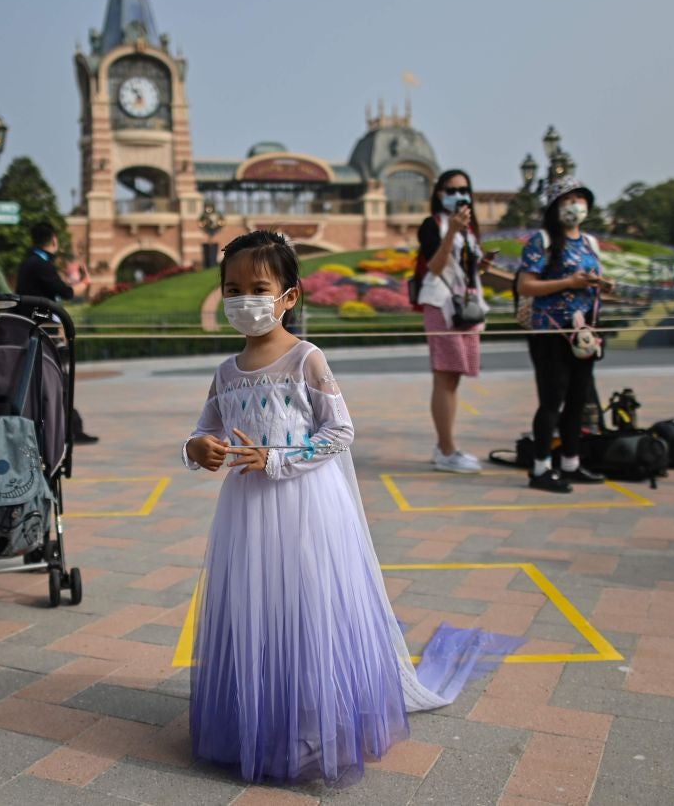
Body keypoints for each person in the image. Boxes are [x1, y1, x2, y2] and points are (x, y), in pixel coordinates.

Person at [182, 230, 522, 785]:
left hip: (306, 508)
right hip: (246, 514)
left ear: (288, 296)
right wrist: (197, 448)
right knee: (258, 610)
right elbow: (205, 429)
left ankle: (315, 727)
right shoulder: (225, 371)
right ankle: (261, 723)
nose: (244, 298)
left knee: (307, 610)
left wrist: (277, 458)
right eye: (233, 288)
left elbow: (339, 432)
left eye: (258, 287)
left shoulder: (306, 359)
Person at [515, 176, 615, 493]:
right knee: (551, 400)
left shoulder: (589, 244)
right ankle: (541, 466)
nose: (574, 205)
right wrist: (568, 283)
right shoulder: (541, 241)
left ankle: (571, 462)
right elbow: (525, 285)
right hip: (550, 332)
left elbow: (588, 281)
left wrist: (600, 284)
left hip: (583, 332)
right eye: (566, 199)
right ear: (554, 207)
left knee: (577, 399)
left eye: (579, 198)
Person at [412, 169, 496, 473]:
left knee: (454, 378)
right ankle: (446, 450)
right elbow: (434, 265)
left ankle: (446, 446)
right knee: (445, 376)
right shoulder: (433, 225)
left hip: (466, 307)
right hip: (442, 307)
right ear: (438, 193)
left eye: (463, 188)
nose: (458, 194)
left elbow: (465, 271)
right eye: (450, 189)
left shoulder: (469, 230)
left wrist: (483, 264)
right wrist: (451, 232)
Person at [15, 222, 98, 445]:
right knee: (58, 380)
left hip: (33, 330)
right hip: (42, 333)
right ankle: (69, 429)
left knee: (49, 381)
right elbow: (66, 292)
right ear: (53, 240)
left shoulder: (29, 263)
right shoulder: (40, 264)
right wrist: (84, 283)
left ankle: (62, 427)